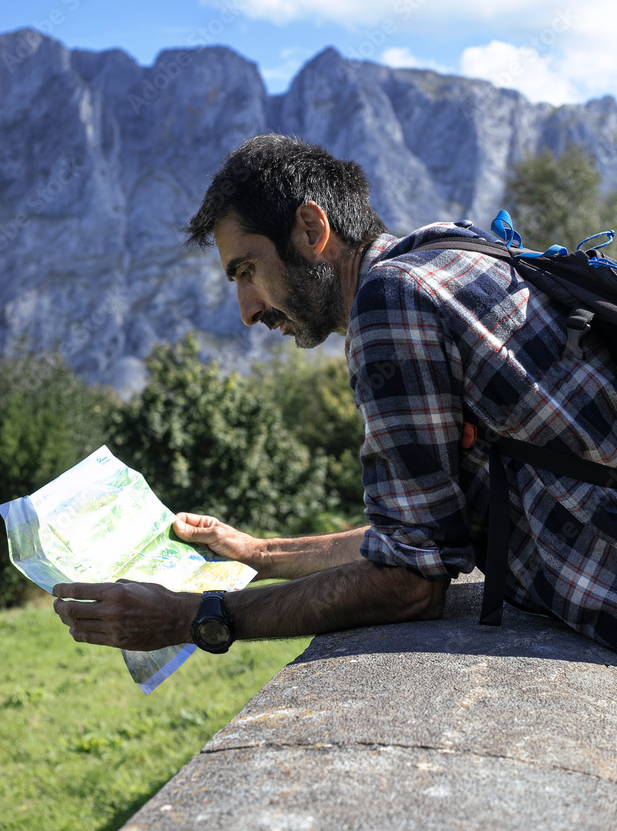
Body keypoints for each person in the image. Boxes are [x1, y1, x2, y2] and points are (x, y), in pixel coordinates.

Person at [54, 134, 617, 653]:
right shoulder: (453, 253)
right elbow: (414, 536)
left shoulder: (389, 303)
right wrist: (256, 553)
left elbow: (410, 582)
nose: (247, 311)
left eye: (247, 270)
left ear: (311, 229)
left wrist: (192, 616)